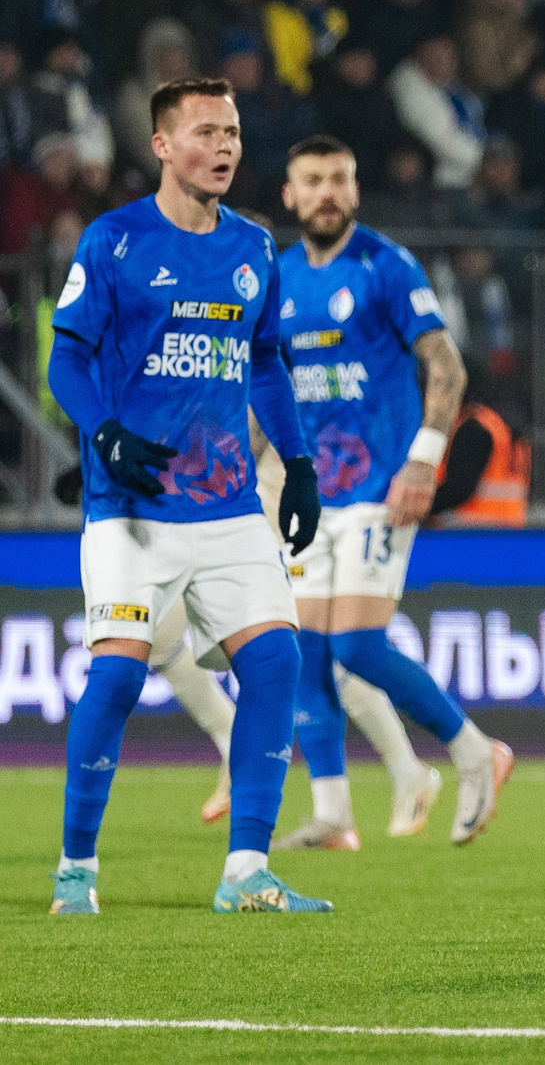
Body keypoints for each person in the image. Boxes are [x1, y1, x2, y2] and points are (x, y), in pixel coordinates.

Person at [47, 76, 329, 914]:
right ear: (164, 146)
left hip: (228, 503)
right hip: (132, 507)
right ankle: (76, 867)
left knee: (277, 660)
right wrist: (101, 431)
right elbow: (66, 355)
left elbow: (269, 360)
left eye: (234, 131)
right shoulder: (115, 240)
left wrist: (301, 463)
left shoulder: (252, 246)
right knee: (118, 681)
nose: (227, 146)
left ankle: (246, 867)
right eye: (206, 131)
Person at [272, 135, 512, 850]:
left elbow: (446, 363)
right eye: (312, 180)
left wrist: (423, 461)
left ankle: (476, 753)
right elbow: (271, 390)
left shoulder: (385, 264)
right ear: (289, 194)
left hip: (380, 484)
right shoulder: (279, 277)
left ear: (355, 190)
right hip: (311, 492)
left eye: (338, 179)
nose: (326, 193)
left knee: (357, 644)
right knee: (306, 652)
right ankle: (334, 813)